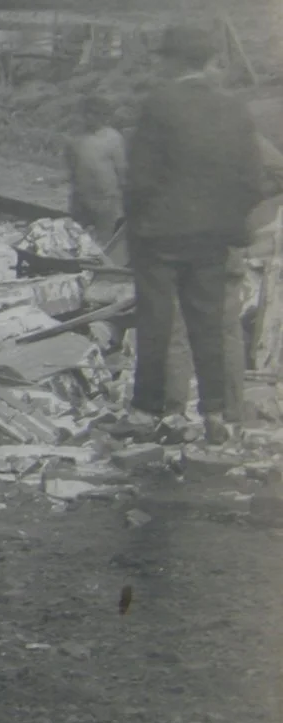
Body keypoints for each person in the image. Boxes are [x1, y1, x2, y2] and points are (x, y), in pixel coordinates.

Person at [124, 24, 264, 436]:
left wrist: (134, 224)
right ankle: (215, 413)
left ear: (172, 60)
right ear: (208, 61)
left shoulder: (158, 103)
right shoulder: (235, 108)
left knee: (156, 322)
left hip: (160, 234)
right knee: (209, 324)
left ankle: (146, 411)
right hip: (211, 237)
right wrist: (227, 220)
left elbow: (141, 180)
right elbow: (253, 181)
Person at [63, 91, 130, 261]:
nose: (88, 119)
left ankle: (101, 267)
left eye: (94, 115)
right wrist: (74, 190)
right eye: (86, 114)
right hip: (81, 197)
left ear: (103, 117)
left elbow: (121, 170)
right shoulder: (75, 138)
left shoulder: (113, 138)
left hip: (106, 199)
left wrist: (124, 196)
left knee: (104, 239)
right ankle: (77, 263)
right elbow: (72, 166)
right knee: (76, 236)